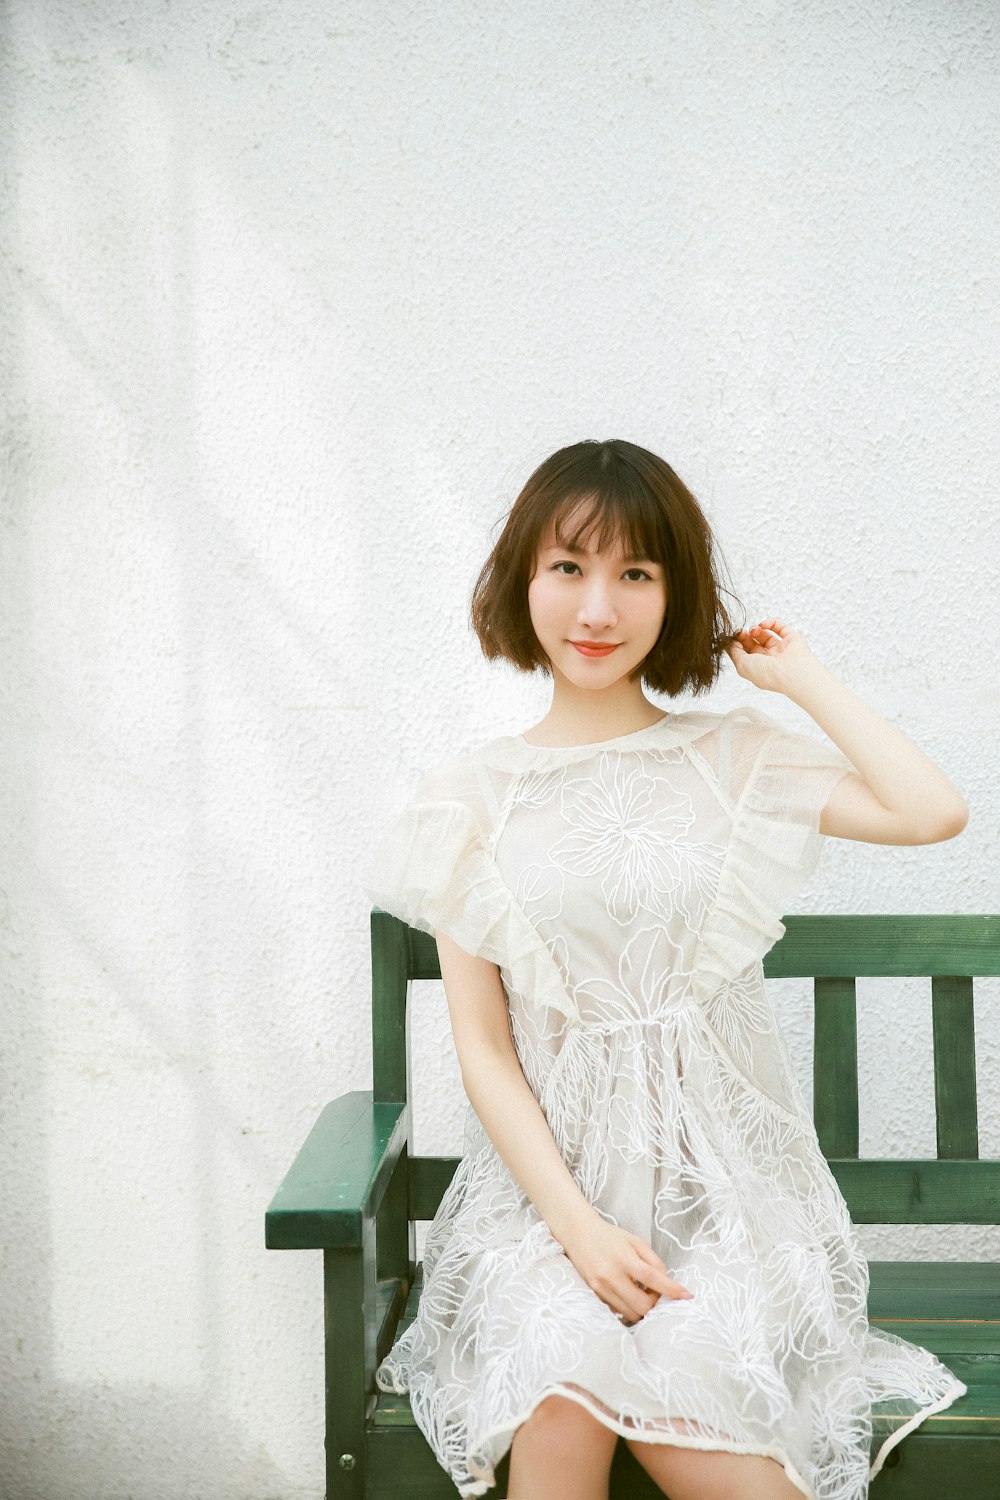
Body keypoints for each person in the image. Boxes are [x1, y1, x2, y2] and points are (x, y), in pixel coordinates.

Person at [362, 438, 969, 1500]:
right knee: (554, 1392)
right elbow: (486, 1053)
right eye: (568, 567)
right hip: (544, 1211)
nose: (597, 607)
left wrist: (800, 679)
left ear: (673, 594)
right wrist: (579, 1232)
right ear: (522, 580)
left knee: (691, 1398)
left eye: (635, 574)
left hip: (726, 1207)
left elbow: (929, 813)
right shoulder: (467, 800)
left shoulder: (729, 756)